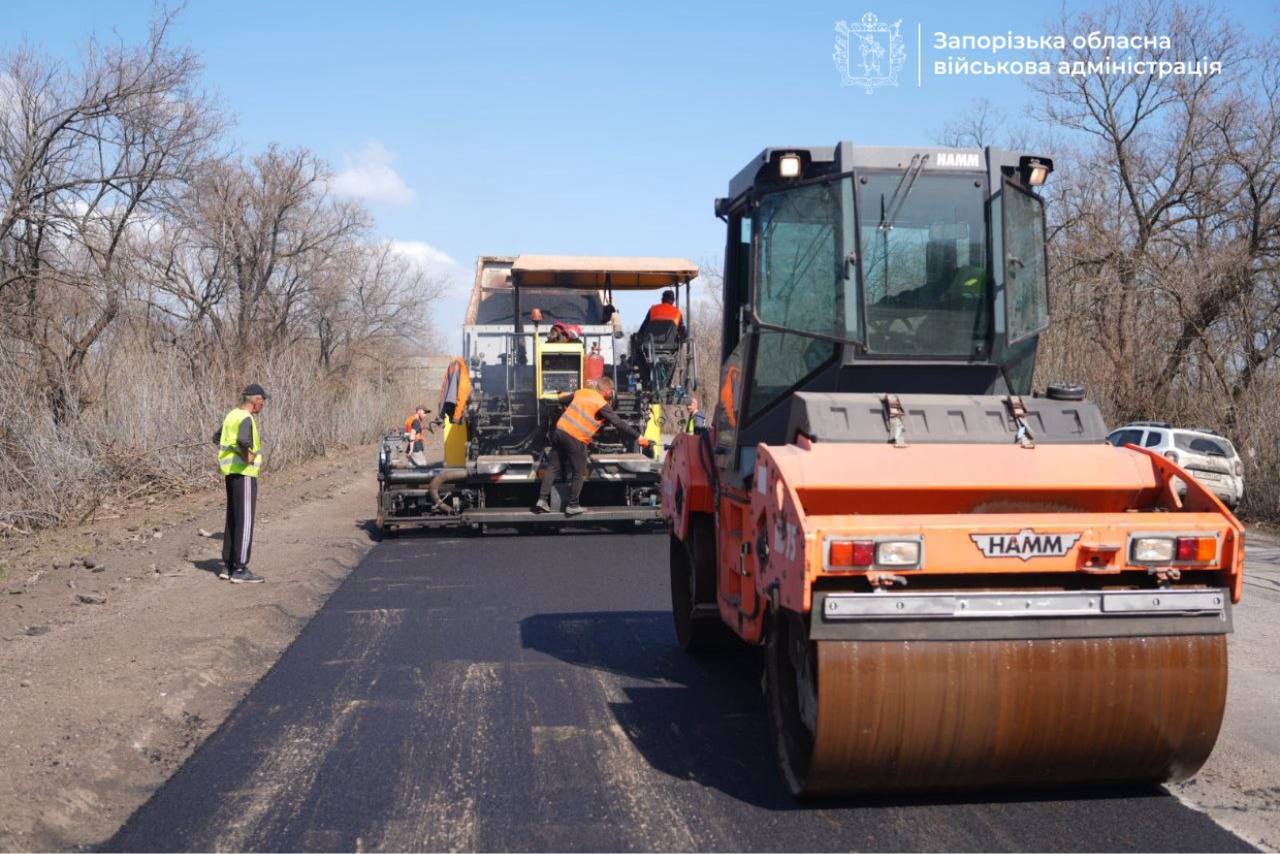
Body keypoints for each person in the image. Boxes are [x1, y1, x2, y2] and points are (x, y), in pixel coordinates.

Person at [533, 375, 651, 516]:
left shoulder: (582, 392)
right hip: (575, 438)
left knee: (552, 467)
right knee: (579, 471)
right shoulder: (601, 403)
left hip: (559, 432)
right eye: (611, 391)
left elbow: (562, 399)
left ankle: (542, 500)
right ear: (607, 391)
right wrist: (639, 437)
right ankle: (573, 505)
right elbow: (619, 423)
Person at [216, 384, 269, 584]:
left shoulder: (232, 415)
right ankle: (240, 568)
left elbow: (217, 437)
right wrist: (248, 457)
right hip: (244, 474)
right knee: (245, 520)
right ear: (256, 400)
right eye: (262, 401)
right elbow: (242, 440)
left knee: (233, 520)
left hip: (230, 474)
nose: (263, 405)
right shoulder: (246, 418)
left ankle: (228, 565)